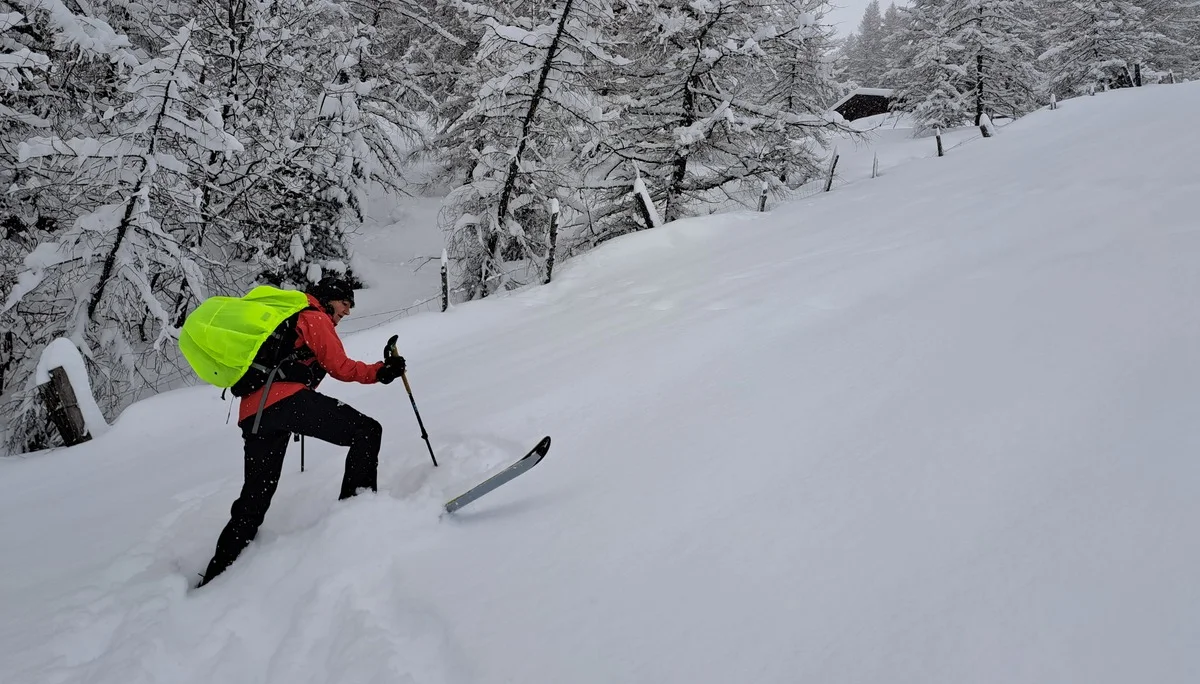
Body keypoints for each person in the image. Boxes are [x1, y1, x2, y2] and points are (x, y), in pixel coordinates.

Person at [197, 277, 406, 587]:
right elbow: (340, 366)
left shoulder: (293, 321)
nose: (347, 311)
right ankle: (357, 516)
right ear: (329, 298)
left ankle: (217, 573)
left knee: (255, 496)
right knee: (366, 430)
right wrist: (381, 371)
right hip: (284, 401)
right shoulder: (313, 315)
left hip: (255, 414)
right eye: (345, 303)